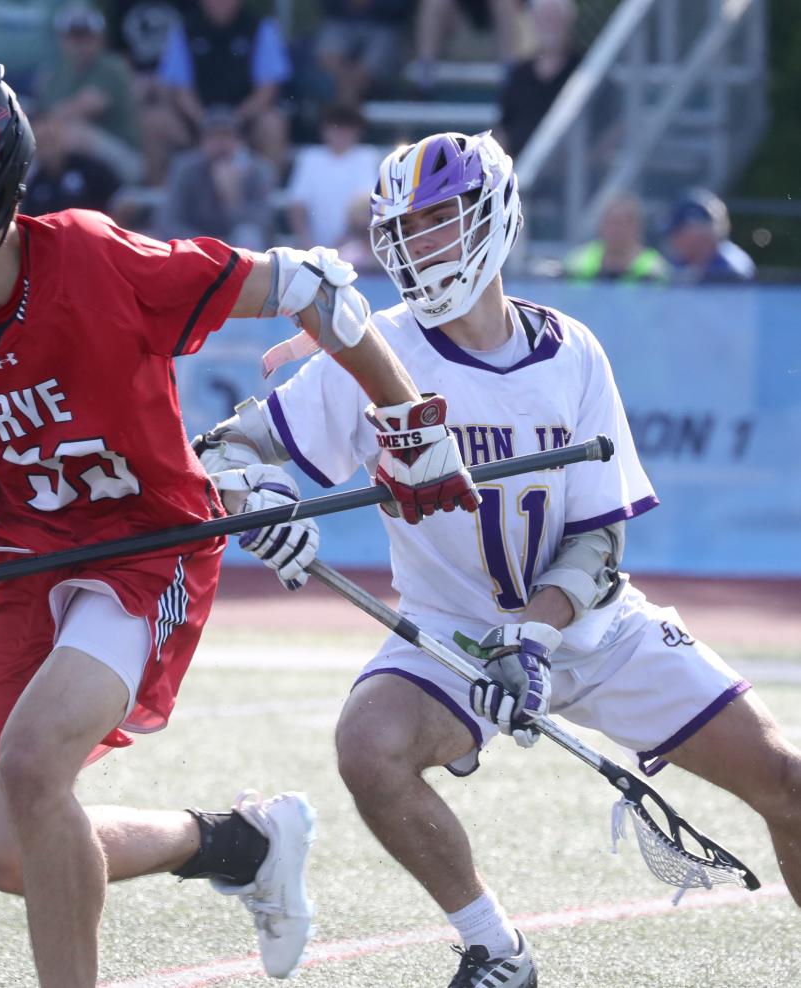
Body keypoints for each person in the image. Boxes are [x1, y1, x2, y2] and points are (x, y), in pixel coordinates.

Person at [0, 62, 479, 988]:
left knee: (32, 762)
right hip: (34, 564)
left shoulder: (96, 260)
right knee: (6, 853)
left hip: (150, 550)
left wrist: (409, 426)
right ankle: (236, 843)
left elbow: (317, 288)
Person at [195, 130, 801, 987]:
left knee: (787, 781)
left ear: (493, 219)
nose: (418, 243)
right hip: (453, 634)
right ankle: (496, 948)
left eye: (439, 219)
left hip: (589, 628)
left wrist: (536, 637)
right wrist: (257, 499)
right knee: (368, 747)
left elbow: (598, 541)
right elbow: (224, 448)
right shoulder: (378, 349)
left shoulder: (573, 351)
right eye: (404, 226)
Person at [151, 0, 293, 180]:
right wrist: (206, 122)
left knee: (273, 124)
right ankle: (158, 198)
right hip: (197, 120)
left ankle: (266, 194)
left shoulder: (260, 27)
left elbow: (267, 89)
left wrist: (235, 120)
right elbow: (180, 89)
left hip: (245, 121)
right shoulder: (184, 29)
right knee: (155, 122)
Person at [32, 3, 143, 185]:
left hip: (126, 158)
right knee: (40, 140)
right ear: (62, 39)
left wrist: (42, 126)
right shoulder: (53, 74)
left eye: (86, 36)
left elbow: (86, 106)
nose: (80, 44)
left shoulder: (112, 66)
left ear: (99, 38)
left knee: (71, 133)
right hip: (71, 154)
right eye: (74, 36)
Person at [154, 105, 277, 249]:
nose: (220, 144)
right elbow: (169, 222)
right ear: (202, 142)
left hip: (238, 253)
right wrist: (210, 245)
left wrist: (233, 198)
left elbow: (263, 223)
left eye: (227, 136)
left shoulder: (257, 170)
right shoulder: (185, 169)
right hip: (196, 247)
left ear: (239, 142)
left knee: (248, 234)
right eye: (214, 137)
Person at [285, 102, 381, 250]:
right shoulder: (309, 158)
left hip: (355, 249)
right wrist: (308, 245)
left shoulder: (367, 157)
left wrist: (341, 247)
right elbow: (298, 206)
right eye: (336, 127)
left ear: (357, 131)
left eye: (347, 128)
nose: (342, 133)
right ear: (324, 130)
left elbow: (366, 208)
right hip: (310, 247)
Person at [496, 0, 580, 156]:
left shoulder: (583, 70)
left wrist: (591, 158)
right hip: (519, 168)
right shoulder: (520, 73)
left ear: (569, 21)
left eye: (555, 19)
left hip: (572, 173)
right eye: (544, 19)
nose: (550, 26)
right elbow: (503, 127)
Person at [411, 0, 523, 97]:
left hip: (495, 37)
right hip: (457, 31)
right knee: (435, 2)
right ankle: (425, 74)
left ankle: (510, 74)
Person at [21, 113, 122, 215]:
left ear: (60, 134)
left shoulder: (92, 169)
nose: (48, 148)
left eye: (50, 139)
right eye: (41, 142)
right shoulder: (34, 187)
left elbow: (120, 201)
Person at [564, 193, 669, 282]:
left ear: (637, 227)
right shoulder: (578, 262)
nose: (616, 230)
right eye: (611, 223)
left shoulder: (654, 268)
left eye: (623, 224)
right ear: (601, 225)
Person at [664, 187, 757, 284]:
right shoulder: (681, 262)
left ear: (699, 234)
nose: (673, 238)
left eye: (679, 231)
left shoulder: (730, 268)